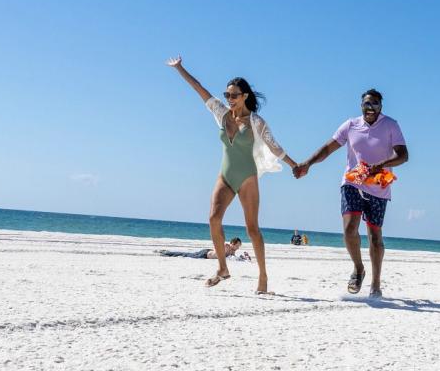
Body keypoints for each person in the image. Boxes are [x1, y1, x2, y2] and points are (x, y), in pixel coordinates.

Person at [167, 55, 299, 291]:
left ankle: (263, 276)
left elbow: (274, 146)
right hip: (225, 176)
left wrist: (294, 165)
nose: (229, 99)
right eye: (227, 95)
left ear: (245, 96)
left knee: (252, 229)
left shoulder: (256, 121)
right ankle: (222, 268)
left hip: (247, 177)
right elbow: (199, 88)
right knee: (213, 219)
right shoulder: (221, 113)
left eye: (234, 95)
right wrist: (180, 68)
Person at [294, 89, 408, 298]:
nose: (370, 107)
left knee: (375, 237)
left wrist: (381, 165)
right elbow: (328, 148)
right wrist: (307, 163)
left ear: (381, 107)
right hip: (353, 181)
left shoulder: (391, 125)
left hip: (378, 185)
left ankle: (375, 282)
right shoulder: (351, 125)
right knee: (349, 229)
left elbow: (403, 156)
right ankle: (358, 269)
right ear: (361, 106)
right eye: (366, 104)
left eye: (374, 103)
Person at [156, 237, 243, 259]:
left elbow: (233, 258)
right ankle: (166, 253)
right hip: (205, 254)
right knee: (186, 254)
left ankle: (167, 252)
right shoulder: (226, 246)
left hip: (206, 255)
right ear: (232, 243)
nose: (238, 247)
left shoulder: (232, 252)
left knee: (186, 255)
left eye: (239, 246)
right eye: (237, 245)